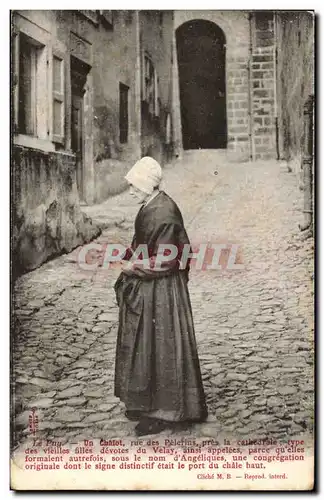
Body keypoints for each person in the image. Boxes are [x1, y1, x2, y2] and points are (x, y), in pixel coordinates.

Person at [114, 156, 207, 436]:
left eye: (134, 186)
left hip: (163, 290)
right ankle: (145, 402)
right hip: (153, 287)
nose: (130, 191)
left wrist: (133, 266)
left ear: (147, 185)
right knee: (146, 346)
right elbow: (148, 245)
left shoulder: (163, 211)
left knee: (161, 347)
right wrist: (132, 254)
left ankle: (166, 411)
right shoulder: (151, 205)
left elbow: (166, 259)